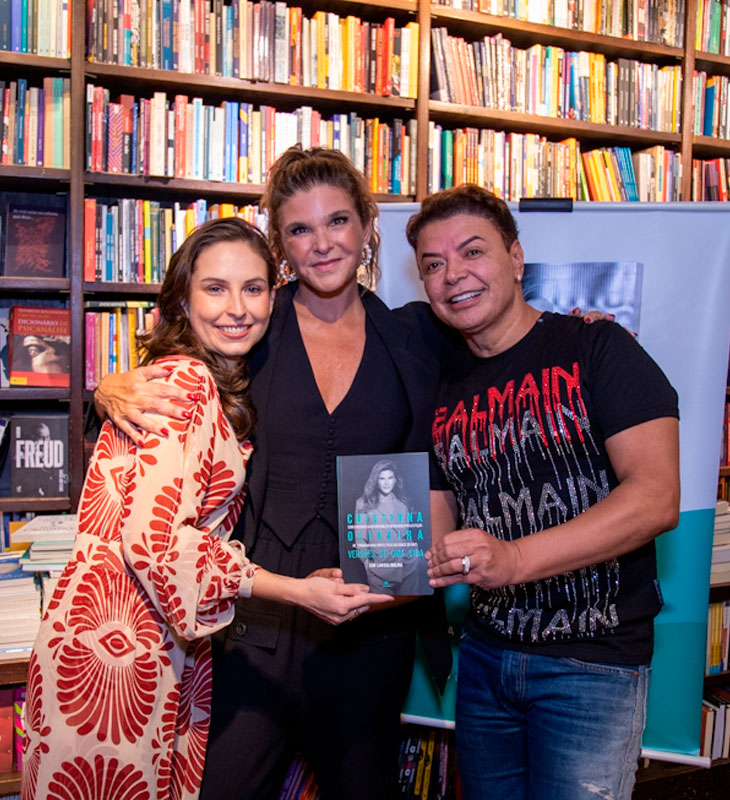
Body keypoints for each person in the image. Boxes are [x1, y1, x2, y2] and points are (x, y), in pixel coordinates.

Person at [92, 147, 452, 800]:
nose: (323, 244)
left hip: (371, 631)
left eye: (338, 221)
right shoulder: (251, 323)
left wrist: (393, 591)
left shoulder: (416, 338)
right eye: (300, 229)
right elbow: (168, 375)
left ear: (367, 224)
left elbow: (472, 399)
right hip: (248, 626)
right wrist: (107, 389)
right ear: (280, 245)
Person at [21, 217, 390, 800]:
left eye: (253, 288)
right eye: (215, 288)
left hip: (137, 641)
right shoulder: (188, 382)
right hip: (120, 654)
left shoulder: (204, 379)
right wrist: (297, 591)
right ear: (182, 300)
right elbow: (157, 546)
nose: (237, 308)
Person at [405, 184, 681, 800]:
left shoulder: (597, 346)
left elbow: (656, 498)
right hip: (485, 659)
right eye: (433, 264)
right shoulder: (442, 386)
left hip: (593, 664)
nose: (453, 275)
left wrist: (515, 559)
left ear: (516, 258)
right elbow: (438, 537)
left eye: (472, 252)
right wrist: (363, 566)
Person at [354, 458, 430, 595]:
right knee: (382, 608)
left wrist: (415, 557)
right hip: (379, 571)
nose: (386, 483)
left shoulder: (403, 503)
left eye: (390, 478)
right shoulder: (363, 503)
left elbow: (407, 535)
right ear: (375, 481)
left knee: (411, 607)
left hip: (408, 567)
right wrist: (367, 564)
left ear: (395, 480)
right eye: (382, 478)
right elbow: (360, 540)